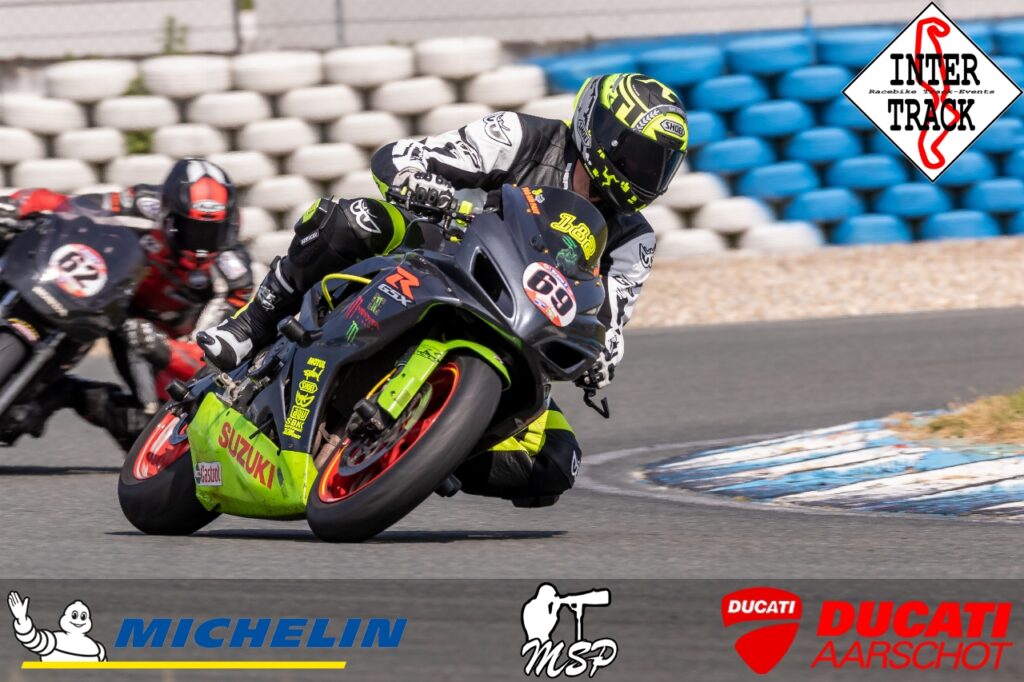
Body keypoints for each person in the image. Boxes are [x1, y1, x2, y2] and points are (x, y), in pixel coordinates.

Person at [199, 73, 687, 506]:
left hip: (519, 325)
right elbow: (403, 157)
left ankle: (427, 445)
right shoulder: (522, 137)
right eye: (641, 156)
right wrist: (421, 181)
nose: (648, 175)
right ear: (600, 133)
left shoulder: (635, 239)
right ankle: (252, 324)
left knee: (556, 462)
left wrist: (602, 358)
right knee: (353, 220)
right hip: (442, 253)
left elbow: (612, 319)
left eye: (662, 165)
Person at [0, 158, 253, 450]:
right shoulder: (144, 204)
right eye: (191, 230)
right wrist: (17, 205)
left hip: (153, 335)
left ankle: (65, 394)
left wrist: (163, 348)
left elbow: (216, 358)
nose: (201, 245)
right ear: (168, 216)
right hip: (103, 293)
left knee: (156, 434)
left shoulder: (232, 277)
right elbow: (72, 207)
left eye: (212, 233)